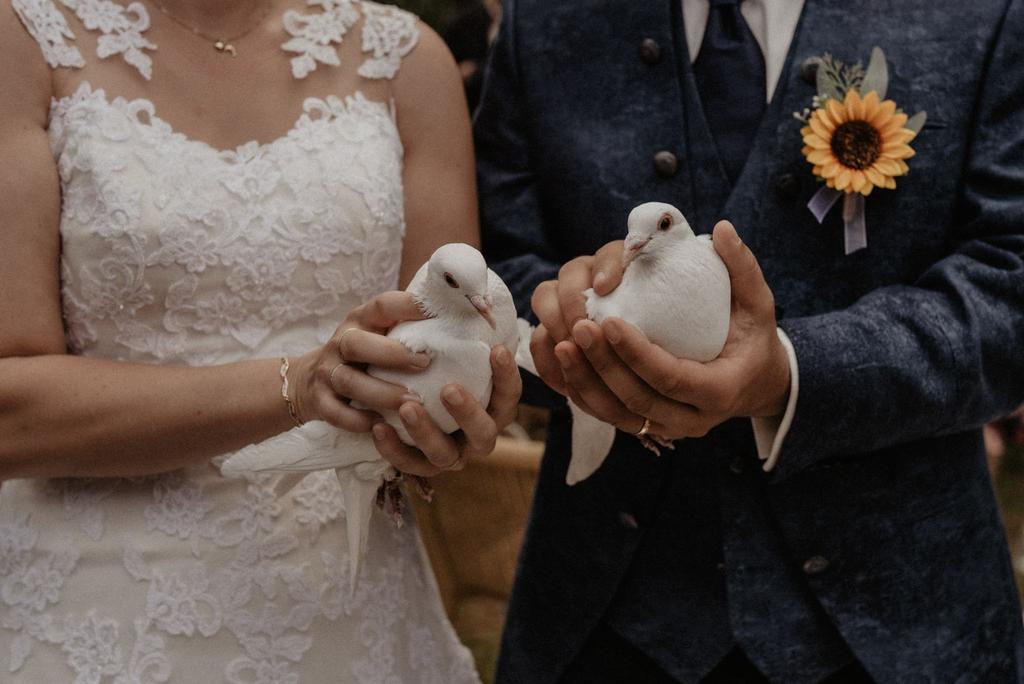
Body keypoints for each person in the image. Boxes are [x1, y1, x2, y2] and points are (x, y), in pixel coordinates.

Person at [476, 0, 1024, 682]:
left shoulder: (984, 13)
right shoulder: (546, 17)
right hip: (602, 618)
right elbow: (497, 263)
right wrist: (570, 326)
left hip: (896, 625)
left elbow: (1010, 285)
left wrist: (795, 372)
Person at [0, 0, 521, 681]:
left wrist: (446, 422)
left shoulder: (405, 60)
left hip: (350, 609)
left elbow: (443, 352)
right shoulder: (27, 39)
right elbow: (12, 412)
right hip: (102, 617)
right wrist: (298, 387)